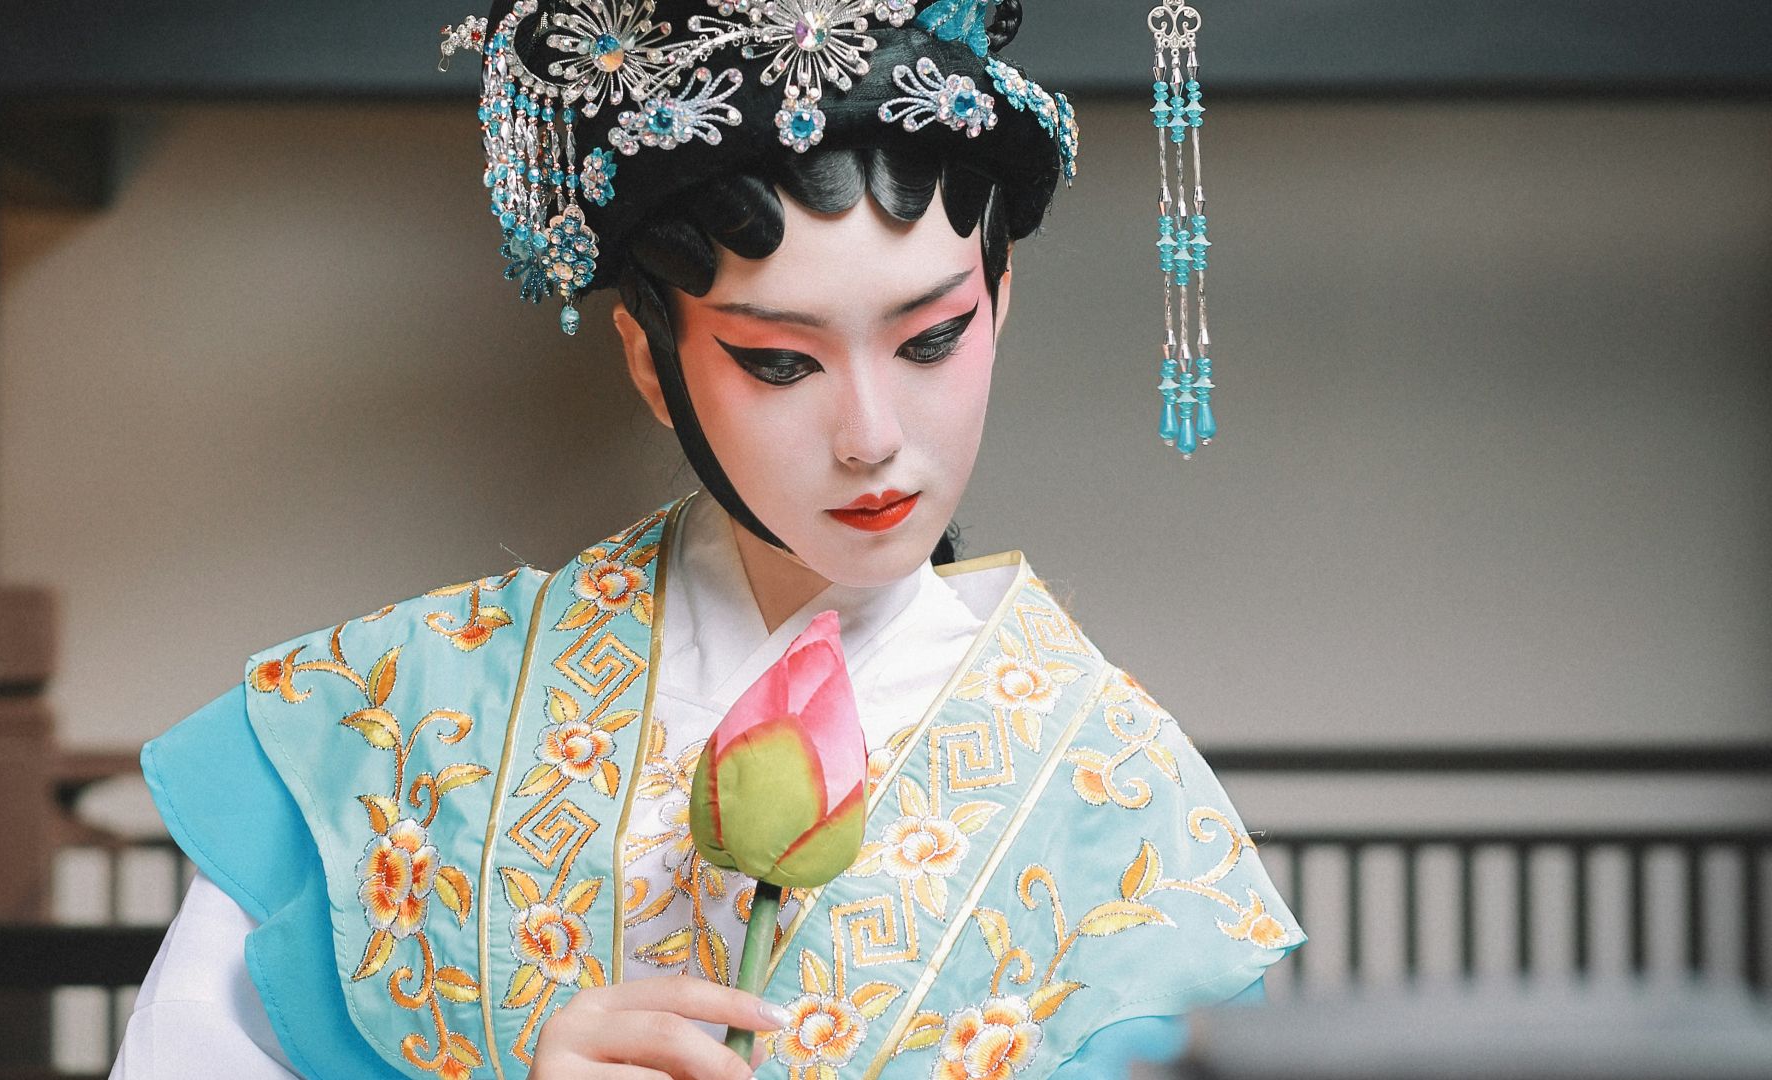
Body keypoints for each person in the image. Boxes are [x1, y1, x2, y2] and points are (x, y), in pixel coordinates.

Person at [113, 2, 1303, 1077]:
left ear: (998, 302)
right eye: (778, 361)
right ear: (651, 359)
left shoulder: (1115, 802)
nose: (872, 437)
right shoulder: (399, 721)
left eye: (932, 339)